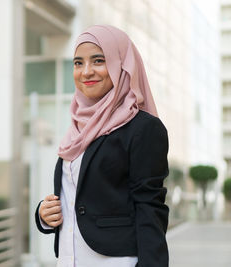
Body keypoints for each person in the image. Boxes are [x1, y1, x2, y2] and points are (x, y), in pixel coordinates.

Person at [35, 25, 169, 267]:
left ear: (121, 64)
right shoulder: (78, 126)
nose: (86, 72)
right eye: (78, 63)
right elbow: (75, 196)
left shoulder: (143, 128)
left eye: (98, 60)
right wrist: (44, 214)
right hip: (69, 260)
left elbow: (150, 207)